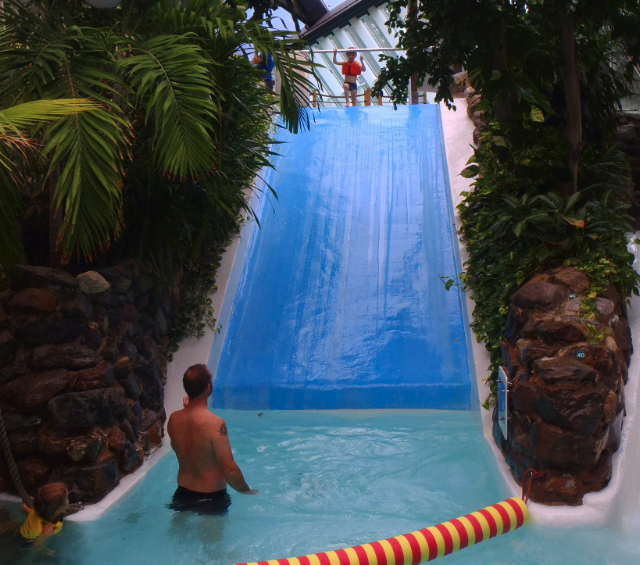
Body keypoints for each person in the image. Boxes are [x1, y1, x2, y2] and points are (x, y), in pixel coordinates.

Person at [167, 364, 257, 514]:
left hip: (182, 494)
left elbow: (187, 445)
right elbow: (229, 470)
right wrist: (247, 491)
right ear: (208, 387)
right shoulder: (215, 424)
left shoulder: (174, 419)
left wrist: (188, 408)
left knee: (178, 529)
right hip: (211, 498)